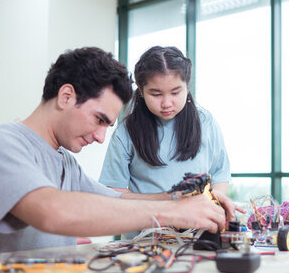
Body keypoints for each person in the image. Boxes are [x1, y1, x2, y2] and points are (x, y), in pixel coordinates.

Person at [0, 47, 227, 258]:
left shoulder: (65, 164)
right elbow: (52, 213)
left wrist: (183, 199)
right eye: (99, 120)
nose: (100, 137)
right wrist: (173, 213)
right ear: (66, 97)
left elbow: (118, 201)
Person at [99, 46, 237, 233]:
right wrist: (170, 201)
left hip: (197, 236)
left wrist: (211, 202)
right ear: (140, 89)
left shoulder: (206, 123)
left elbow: (220, 174)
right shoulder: (126, 132)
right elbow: (112, 191)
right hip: (146, 239)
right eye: (156, 94)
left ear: (187, 86)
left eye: (175, 92)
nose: (166, 103)